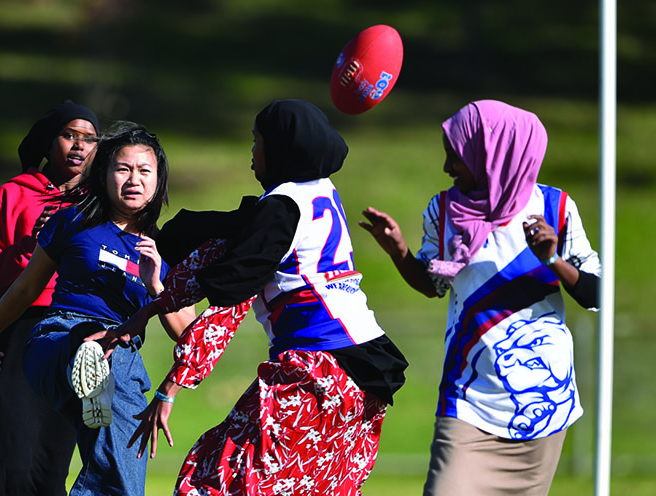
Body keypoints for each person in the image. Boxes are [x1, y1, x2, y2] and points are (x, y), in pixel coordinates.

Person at [103, 99, 409, 496]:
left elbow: (230, 296)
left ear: (281, 146)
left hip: (318, 371)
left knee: (214, 477)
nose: (252, 152)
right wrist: (155, 299)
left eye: (257, 141)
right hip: (364, 377)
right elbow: (231, 230)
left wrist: (170, 387)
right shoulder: (318, 192)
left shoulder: (280, 210)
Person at [359, 100, 601, 495]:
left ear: (492, 154)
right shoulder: (443, 211)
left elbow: (596, 293)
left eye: (455, 155)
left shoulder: (556, 209)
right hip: (468, 401)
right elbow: (432, 286)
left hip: (543, 405)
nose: (447, 167)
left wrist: (552, 258)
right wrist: (399, 250)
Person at [0, 123, 196, 496]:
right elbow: (26, 286)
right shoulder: (74, 221)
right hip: (58, 338)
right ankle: (90, 359)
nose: (133, 179)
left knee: (121, 477)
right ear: (104, 174)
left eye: (144, 171)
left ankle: (98, 375)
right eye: (122, 169)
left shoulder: (165, 250)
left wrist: (157, 285)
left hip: (119, 354)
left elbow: (189, 333)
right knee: (100, 349)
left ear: (159, 181)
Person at [0, 99, 100, 496]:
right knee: (7, 456)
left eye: (89, 138)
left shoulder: (102, 202)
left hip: (74, 337)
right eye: (69, 136)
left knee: (50, 461)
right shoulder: (14, 194)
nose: (78, 146)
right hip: (19, 331)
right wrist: (31, 246)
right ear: (48, 141)